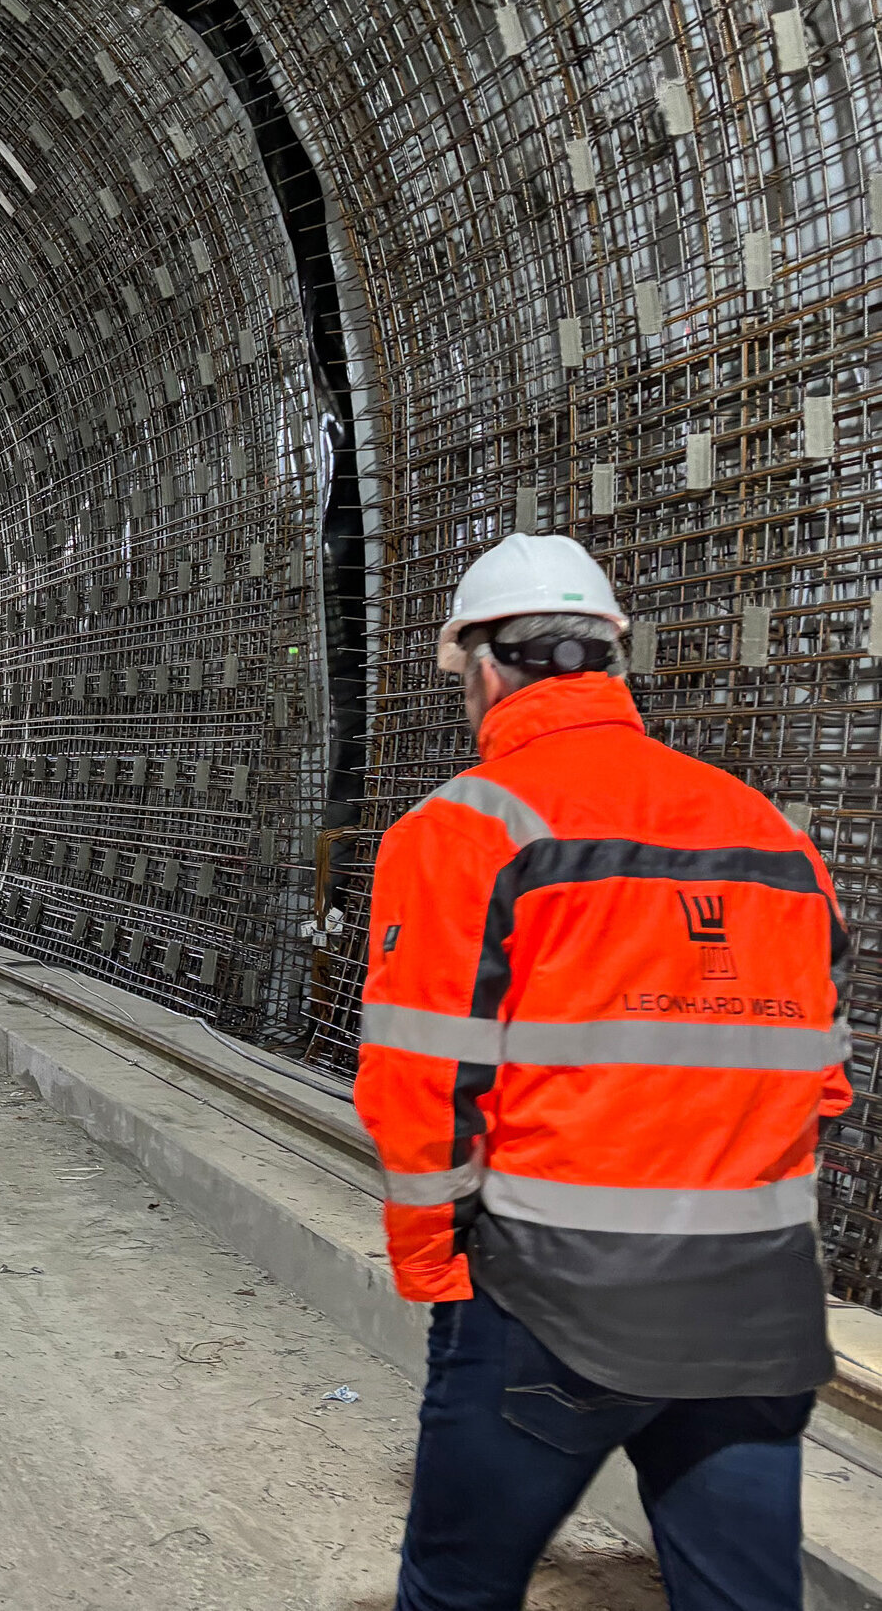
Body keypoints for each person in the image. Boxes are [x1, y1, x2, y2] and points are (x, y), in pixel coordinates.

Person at [355, 532, 850, 1611]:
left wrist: (440, 1273)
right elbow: (820, 1075)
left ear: (484, 667)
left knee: (458, 1589)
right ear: (612, 660)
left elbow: (422, 1086)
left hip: (551, 1300)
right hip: (755, 1304)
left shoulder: (462, 830)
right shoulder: (770, 833)